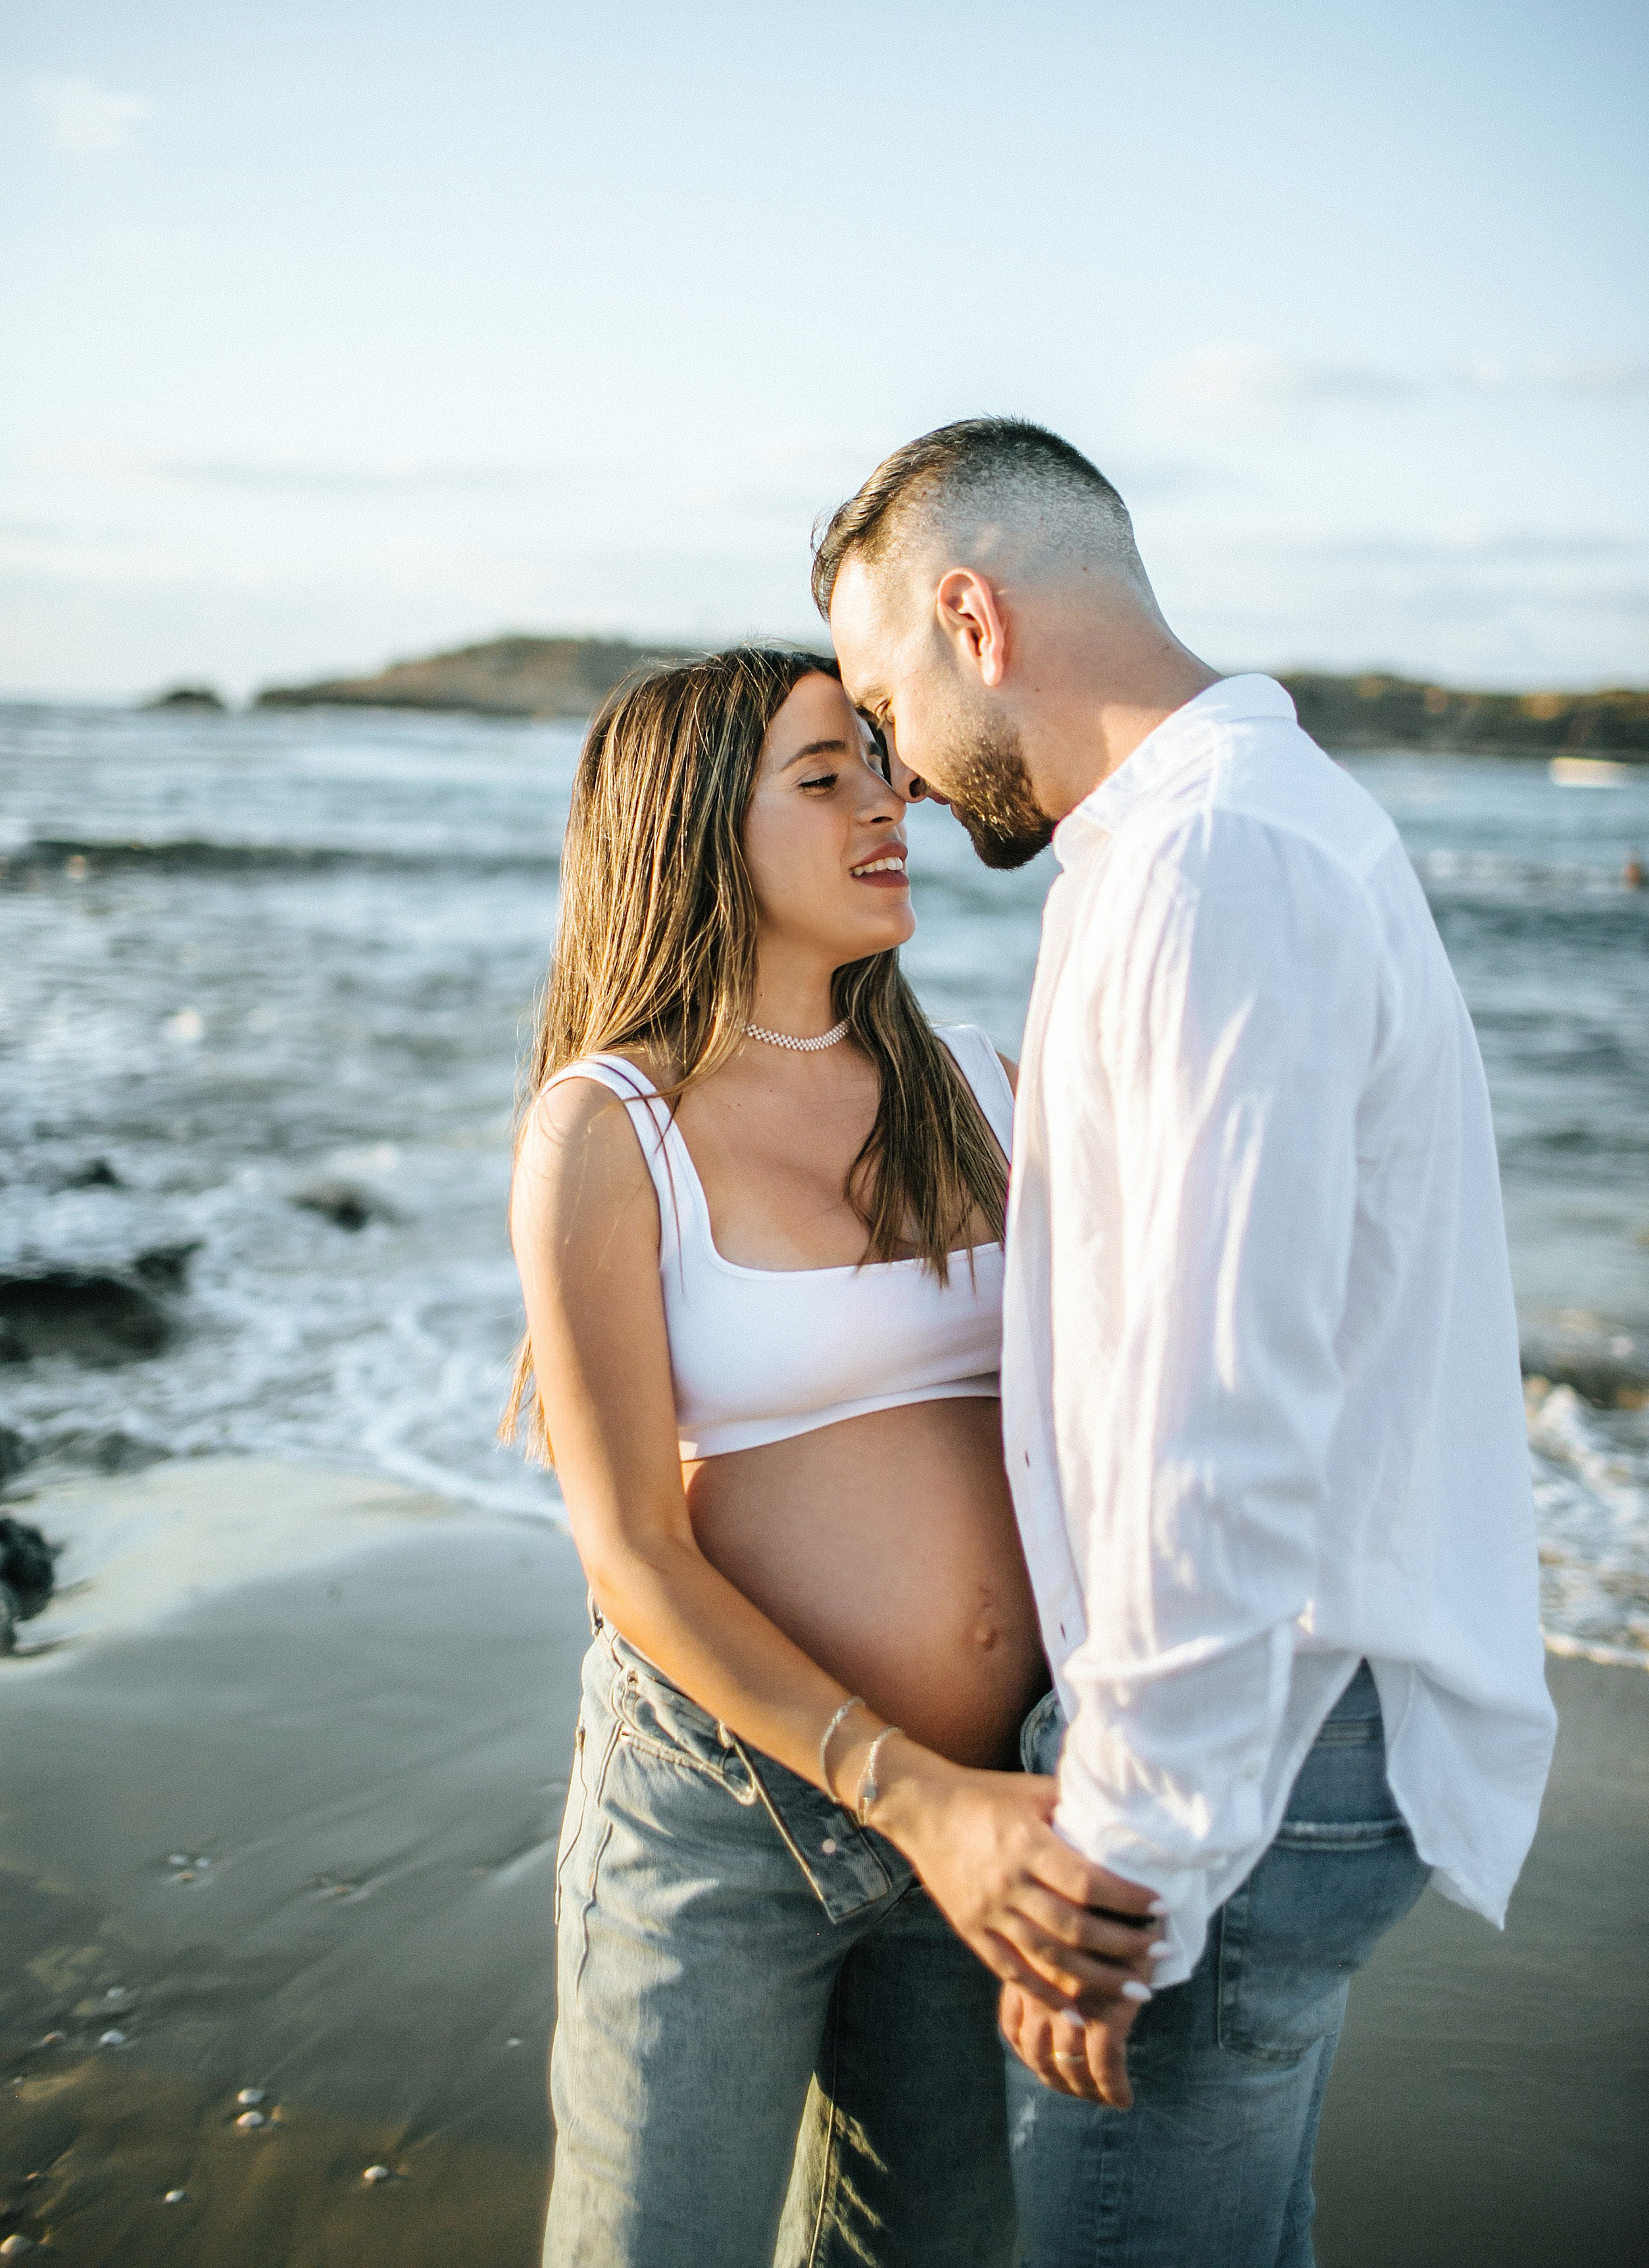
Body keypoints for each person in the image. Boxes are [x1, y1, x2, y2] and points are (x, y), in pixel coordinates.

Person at [816, 418, 1558, 2268]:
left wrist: (1134, 1848)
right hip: (1277, 1730)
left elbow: (1220, 1407)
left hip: (1251, 1748)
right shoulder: (1220, 832)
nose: (897, 774)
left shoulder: (1213, 863)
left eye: (881, 702)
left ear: (972, 618)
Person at [505, 646, 1159, 2268]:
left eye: (881, 764)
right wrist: (905, 1792)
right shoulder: (610, 1128)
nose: (892, 803)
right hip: (727, 1814)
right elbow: (629, 1555)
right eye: (825, 778)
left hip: (996, 1802)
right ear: (689, 832)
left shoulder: (984, 1087)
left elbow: (1141, 1413)